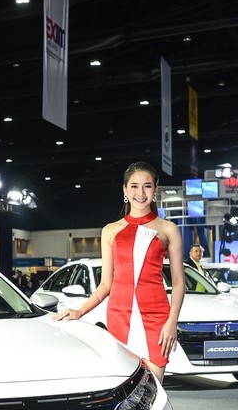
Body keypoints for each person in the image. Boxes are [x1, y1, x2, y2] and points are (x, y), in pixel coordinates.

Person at [55, 160, 185, 383]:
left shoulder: (168, 229)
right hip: (119, 317)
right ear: (125, 190)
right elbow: (106, 284)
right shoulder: (110, 230)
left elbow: (179, 282)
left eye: (147, 186)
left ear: (155, 189)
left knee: (153, 387)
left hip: (156, 318)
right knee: (124, 388)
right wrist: (79, 312)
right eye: (134, 186)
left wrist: (172, 322)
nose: (140, 193)